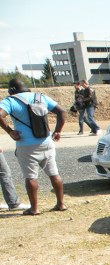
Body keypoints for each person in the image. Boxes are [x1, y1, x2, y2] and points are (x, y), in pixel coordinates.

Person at [0, 78, 67, 215]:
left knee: (31, 177)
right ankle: (61, 204)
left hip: (26, 144)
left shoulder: (10, 101)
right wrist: (58, 131)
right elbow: (62, 111)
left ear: (11, 90)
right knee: (54, 173)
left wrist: (10, 131)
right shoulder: (40, 97)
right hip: (46, 141)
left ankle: (34, 208)